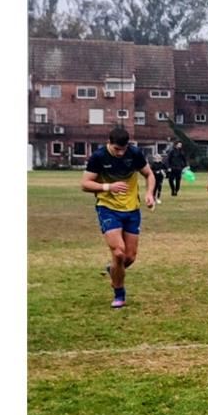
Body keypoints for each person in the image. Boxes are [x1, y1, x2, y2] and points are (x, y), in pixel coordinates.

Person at [80, 126, 156, 308]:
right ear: (109, 143)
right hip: (108, 208)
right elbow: (85, 184)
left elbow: (149, 174)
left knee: (129, 258)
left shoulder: (135, 153)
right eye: (116, 149)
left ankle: (113, 269)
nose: (121, 153)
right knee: (119, 252)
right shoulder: (98, 157)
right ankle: (119, 294)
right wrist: (108, 187)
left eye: (123, 149)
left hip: (132, 209)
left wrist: (150, 193)